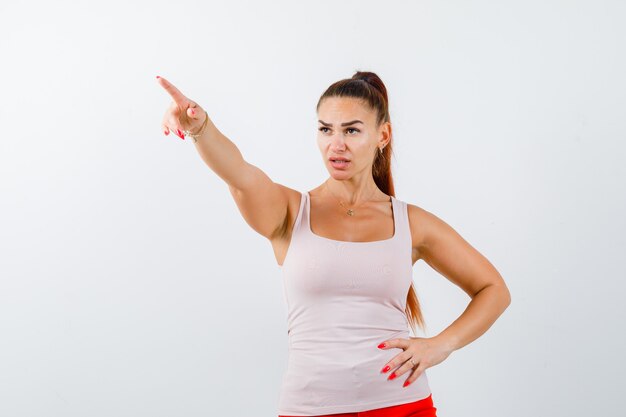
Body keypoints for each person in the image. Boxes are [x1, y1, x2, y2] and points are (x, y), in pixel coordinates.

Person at [156, 71, 512, 417]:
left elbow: (493, 289)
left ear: (382, 135)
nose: (335, 145)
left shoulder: (412, 223)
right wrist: (200, 128)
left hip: (401, 405)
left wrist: (440, 345)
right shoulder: (290, 212)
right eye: (325, 129)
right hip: (310, 408)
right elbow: (239, 174)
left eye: (352, 130)